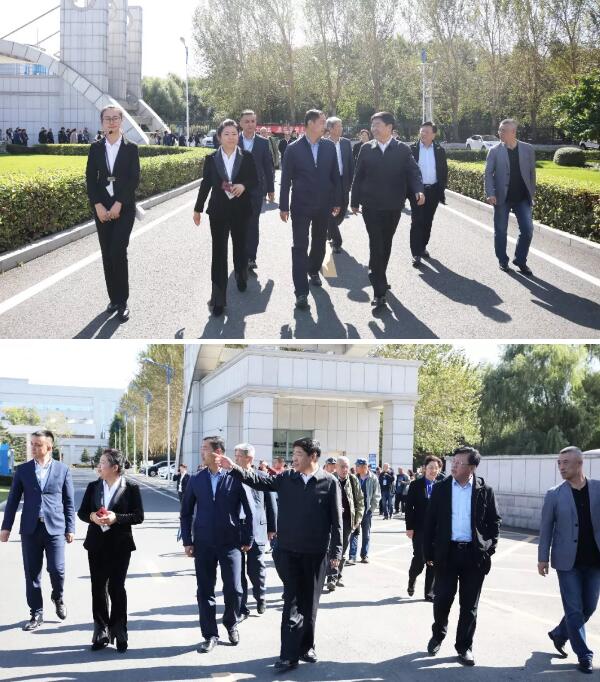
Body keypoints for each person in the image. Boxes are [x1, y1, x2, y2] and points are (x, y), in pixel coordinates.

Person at [218, 437, 342, 673]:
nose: (293, 458)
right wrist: (233, 468)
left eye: (298, 454)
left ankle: (307, 647)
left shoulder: (329, 482)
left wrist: (336, 552)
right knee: (291, 602)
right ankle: (288, 655)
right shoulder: (286, 478)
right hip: (288, 552)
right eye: (293, 454)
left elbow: (337, 521)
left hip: (315, 554)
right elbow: (259, 481)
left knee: (309, 604)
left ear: (313, 456)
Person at [424, 446, 501, 667]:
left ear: (472, 467)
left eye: (459, 463)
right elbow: (430, 523)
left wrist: (489, 547)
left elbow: (494, 521)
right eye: (453, 462)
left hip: (474, 556)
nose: (454, 466)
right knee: (442, 600)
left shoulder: (485, 490)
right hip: (446, 554)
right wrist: (428, 553)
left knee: (469, 606)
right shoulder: (441, 488)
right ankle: (438, 634)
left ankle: (464, 646)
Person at [180, 436, 254, 654]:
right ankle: (210, 634)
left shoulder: (235, 477)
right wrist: (187, 540)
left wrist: (247, 538)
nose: (201, 452)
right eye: (202, 448)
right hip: (203, 543)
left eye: (205, 448)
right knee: (205, 590)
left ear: (218, 452)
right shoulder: (196, 479)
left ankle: (231, 623)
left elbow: (249, 510)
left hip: (231, 543)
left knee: (234, 588)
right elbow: (185, 513)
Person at [1, 430, 75, 632]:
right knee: (32, 572)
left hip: (55, 528)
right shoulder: (23, 470)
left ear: (49, 447)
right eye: (32, 444)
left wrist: (70, 527)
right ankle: (36, 612)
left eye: (38, 444)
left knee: (57, 569)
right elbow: (12, 501)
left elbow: (69, 502)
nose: (33, 447)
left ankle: (57, 597)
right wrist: (6, 527)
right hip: (30, 529)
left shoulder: (62, 470)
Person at [350, 111, 424, 308]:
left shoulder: (402, 149)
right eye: (372, 125)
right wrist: (354, 201)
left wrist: (418, 190)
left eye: (377, 125)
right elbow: (358, 176)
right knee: (376, 244)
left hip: (393, 206)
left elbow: (413, 172)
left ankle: (378, 273)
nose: (373, 129)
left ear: (389, 127)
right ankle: (379, 291)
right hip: (371, 207)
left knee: (386, 243)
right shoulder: (366, 148)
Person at [538, 446, 600, 675]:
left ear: (579, 464)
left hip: (594, 560)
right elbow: (546, 528)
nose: (561, 467)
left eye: (566, 462)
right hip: (567, 562)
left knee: (589, 607)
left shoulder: (598, 488)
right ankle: (584, 655)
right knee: (574, 609)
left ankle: (559, 633)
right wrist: (542, 558)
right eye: (559, 463)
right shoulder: (554, 494)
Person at [77, 449, 144, 652]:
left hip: (120, 545)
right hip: (96, 544)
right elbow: (82, 512)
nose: (99, 466)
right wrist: (92, 517)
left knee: (116, 587)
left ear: (115, 467)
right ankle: (100, 630)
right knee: (98, 588)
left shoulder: (130, 487)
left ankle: (119, 630)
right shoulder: (94, 486)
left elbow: (138, 516)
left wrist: (117, 518)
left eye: (103, 463)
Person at [193, 118, 259, 317]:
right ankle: (218, 299)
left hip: (241, 211)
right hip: (218, 212)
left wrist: (243, 185)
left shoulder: (246, 157)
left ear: (238, 136)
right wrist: (198, 209)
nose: (231, 137)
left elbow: (255, 180)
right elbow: (206, 184)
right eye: (227, 134)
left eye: (234, 134)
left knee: (240, 247)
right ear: (219, 137)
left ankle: (241, 275)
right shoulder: (212, 159)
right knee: (219, 253)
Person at [279, 109, 342, 311]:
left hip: (324, 204)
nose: (325, 125)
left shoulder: (329, 147)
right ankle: (301, 292)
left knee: (319, 242)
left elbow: (335, 175)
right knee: (299, 246)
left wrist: (337, 200)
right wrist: (283, 206)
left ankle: (313, 270)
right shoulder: (293, 149)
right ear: (310, 124)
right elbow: (285, 179)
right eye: (322, 121)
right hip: (301, 205)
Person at [85, 105, 140, 323]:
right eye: (107, 118)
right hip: (102, 209)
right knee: (107, 253)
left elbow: (134, 179)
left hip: (123, 208)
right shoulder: (96, 148)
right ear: (102, 122)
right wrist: (98, 205)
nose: (111, 122)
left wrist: (119, 204)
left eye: (115, 118)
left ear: (121, 121)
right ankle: (114, 299)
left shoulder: (131, 148)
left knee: (118, 251)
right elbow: (90, 179)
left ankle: (123, 301)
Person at [484, 118, 536, 276]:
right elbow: (488, 174)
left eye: (503, 130)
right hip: (502, 198)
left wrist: (531, 194)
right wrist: (490, 193)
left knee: (527, 230)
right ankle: (503, 260)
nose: (499, 132)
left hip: (522, 198)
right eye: (499, 130)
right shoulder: (494, 151)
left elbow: (532, 173)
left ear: (513, 132)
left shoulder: (528, 149)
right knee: (500, 231)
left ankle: (520, 260)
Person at [234, 443, 277, 618]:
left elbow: (271, 505)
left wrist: (272, 528)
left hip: (257, 528)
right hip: (236, 528)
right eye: (235, 455)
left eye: (238, 456)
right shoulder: (231, 476)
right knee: (237, 570)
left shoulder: (262, 477)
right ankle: (241, 605)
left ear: (249, 458)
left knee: (256, 568)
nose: (235, 459)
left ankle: (261, 597)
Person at [238, 111, 275, 272]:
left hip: (256, 191)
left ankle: (251, 257)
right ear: (240, 123)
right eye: (247, 121)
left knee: (253, 224)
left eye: (253, 121)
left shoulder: (263, 142)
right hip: (236, 192)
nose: (250, 124)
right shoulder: (233, 139)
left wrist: (271, 189)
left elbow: (268, 166)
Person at [405, 455, 444, 601]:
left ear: (439, 470)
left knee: (433, 560)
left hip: (436, 530)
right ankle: (412, 578)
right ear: (424, 469)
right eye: (430, 467)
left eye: (436, 468)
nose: (433, 470)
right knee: (420, 559)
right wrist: (409, 527)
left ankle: (429, 593)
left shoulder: (442, 486)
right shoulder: (416, 485)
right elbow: (409, 508)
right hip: (419, 528)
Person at [409, 122, 448, 267]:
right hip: (417, 191)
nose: (423, 134)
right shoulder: (412, 149)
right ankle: (416, 253)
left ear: (433, 134)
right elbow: (407, 171)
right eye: (422, 131)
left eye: (426, 131)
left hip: (433, 191)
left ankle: (422, 246)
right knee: (417, 221)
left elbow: (443, 170)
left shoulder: (439, 150)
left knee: (427, 221)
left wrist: (441, 188)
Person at [326, 456, 364, 591]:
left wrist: (358, 520)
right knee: (332, 549)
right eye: (342, 466)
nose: (345, 469)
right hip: (332, 522)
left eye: (347, 466)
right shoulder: (330, 479)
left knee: (342, 550)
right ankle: (331, 577)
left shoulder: (353, 480)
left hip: (348, 521)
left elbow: (360, 501)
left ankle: (338, 575)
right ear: (336, 467)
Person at [325, 117, 354, 255]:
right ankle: (337, 241)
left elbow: (350, 164)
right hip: (329, 183)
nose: (341, 128)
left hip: (343, 182)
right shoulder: (323, 143)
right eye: (339, 126)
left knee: (342, 211)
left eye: (341, 126)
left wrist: (350, 182)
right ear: (330, 129)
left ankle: (330, 230)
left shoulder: (346, 143)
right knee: (330, 212)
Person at [348, 458, 381, 565]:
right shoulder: (353, 478)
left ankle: (364, 555)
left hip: (367, 511)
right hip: (355, 511)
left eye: (357, 466)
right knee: (354, 533)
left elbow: (377, 495)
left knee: (366, 534)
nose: (356, 468)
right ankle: (352, 556)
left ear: (364, 467)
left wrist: (371, 509)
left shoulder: (373, 478)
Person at [173, 463, 190, 542]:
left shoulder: (187, 476)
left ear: (184, 468)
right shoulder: (179, 475)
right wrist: (176, 474)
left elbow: (188, 485)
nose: (180, 469)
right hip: (179, 491)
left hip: (184, 492)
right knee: (181, 504)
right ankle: (182, 514)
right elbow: (174, 479)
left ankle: (182, 515)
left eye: (181, 468)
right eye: (180, 468)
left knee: (183, 504)